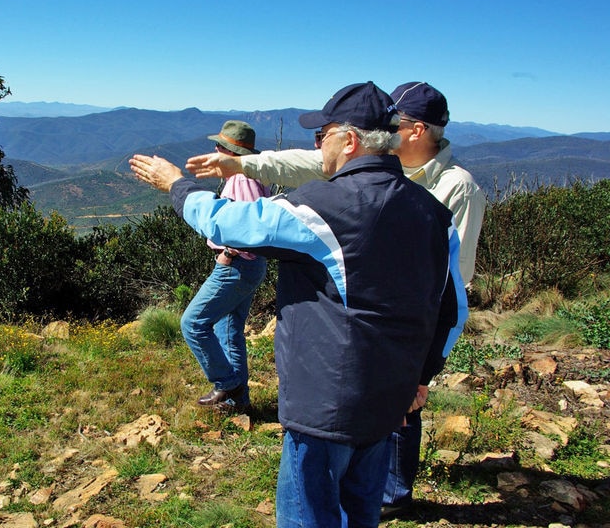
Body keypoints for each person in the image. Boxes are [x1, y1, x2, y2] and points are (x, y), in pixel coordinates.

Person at [130, 81, 468, 528]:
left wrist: (175, 185)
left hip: (325, 404)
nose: (315, 144)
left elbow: (226, 222)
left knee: (309, 514)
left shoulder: (321, 208)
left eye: (320, 134)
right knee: (360, 514)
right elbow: (453, 311)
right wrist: (420, 377)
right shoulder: (433, 214)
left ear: (348, 140)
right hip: (389, 402)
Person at [181, 120, 271, 413]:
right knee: (229, 330)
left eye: (218, 146)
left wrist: (229, 253)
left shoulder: (241, 179)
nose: (214, 150)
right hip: (251, 264)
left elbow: (247, 224)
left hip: (237, 265)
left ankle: (226, 383)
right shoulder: (250, 174)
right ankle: (237, 402)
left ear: (225, 150)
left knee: (193, 324)